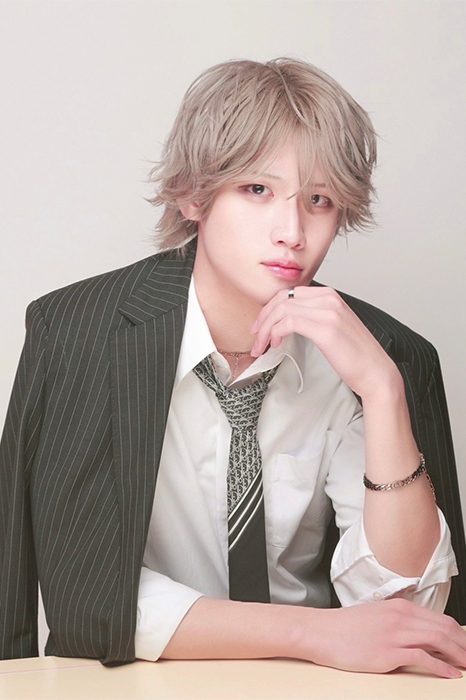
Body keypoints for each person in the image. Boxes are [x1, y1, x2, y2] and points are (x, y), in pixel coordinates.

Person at [1, 58, 466, 679]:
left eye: (319, 200)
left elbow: (413, 618)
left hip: (324, 686)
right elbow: (88, 599)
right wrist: (312, 632)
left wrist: (383, 393)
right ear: (193, 195)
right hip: (134, 681)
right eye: (257, 190)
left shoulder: (389, 354)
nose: (292, 232)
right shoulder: (79, 331)